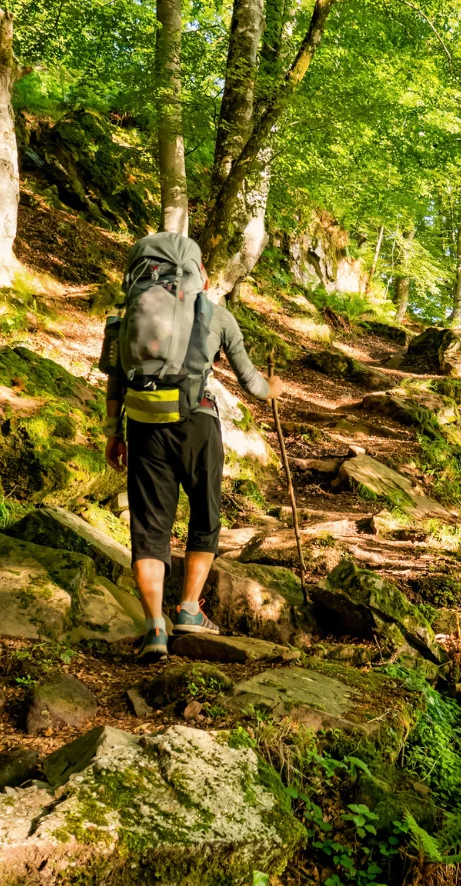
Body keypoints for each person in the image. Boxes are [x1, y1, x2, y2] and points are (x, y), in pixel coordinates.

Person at [103, 235, 282, 662]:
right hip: (197, 425)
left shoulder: (125, 318)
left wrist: (115, 432)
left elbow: (115, 379)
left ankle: (154, 627)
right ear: (196, 271)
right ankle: (187, 609)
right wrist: (271, 389)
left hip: (145, 427)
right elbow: (253, 384)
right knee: (205, 515)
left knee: (149, 528)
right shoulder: (217, 315)